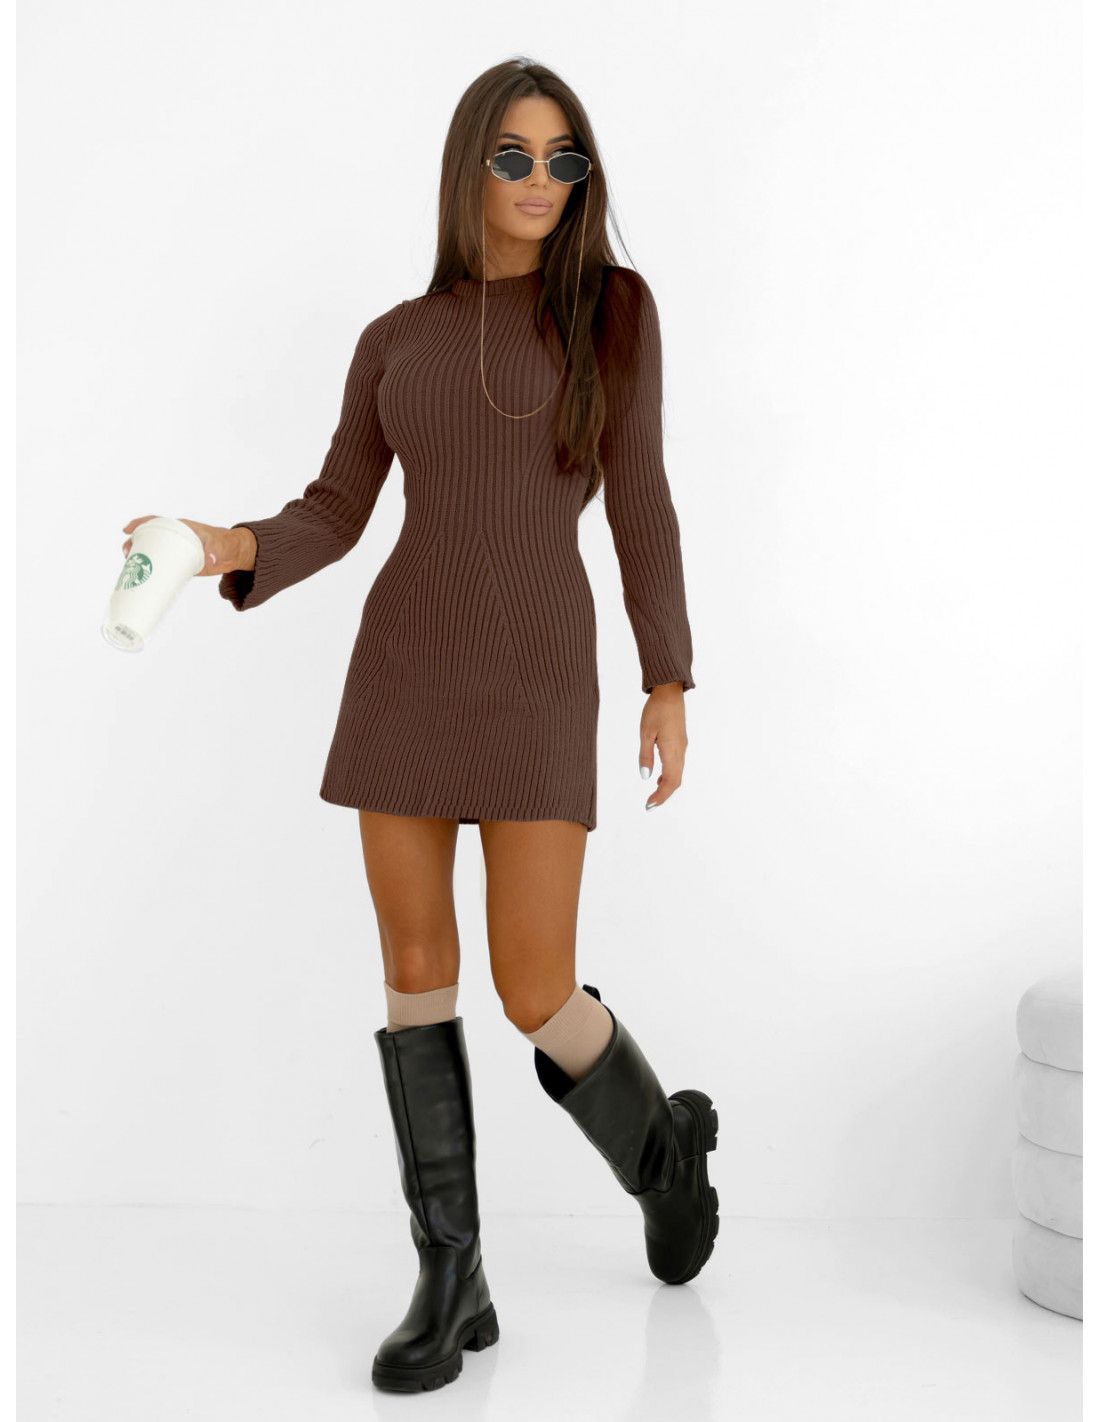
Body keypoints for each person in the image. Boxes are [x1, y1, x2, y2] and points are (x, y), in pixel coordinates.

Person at [122, 59, 719, 1394]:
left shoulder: (615, 311)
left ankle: (666, 1155)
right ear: (467, 169)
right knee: (413, 968)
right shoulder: (398, 337)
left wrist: (667, 675)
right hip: (404, 676)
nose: (539, 183)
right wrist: (219, 543)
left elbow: (642, 498)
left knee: (534, 987)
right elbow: (336, 511)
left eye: (563, 160)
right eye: (512, 158)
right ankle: (453, 1272)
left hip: (541, 676)